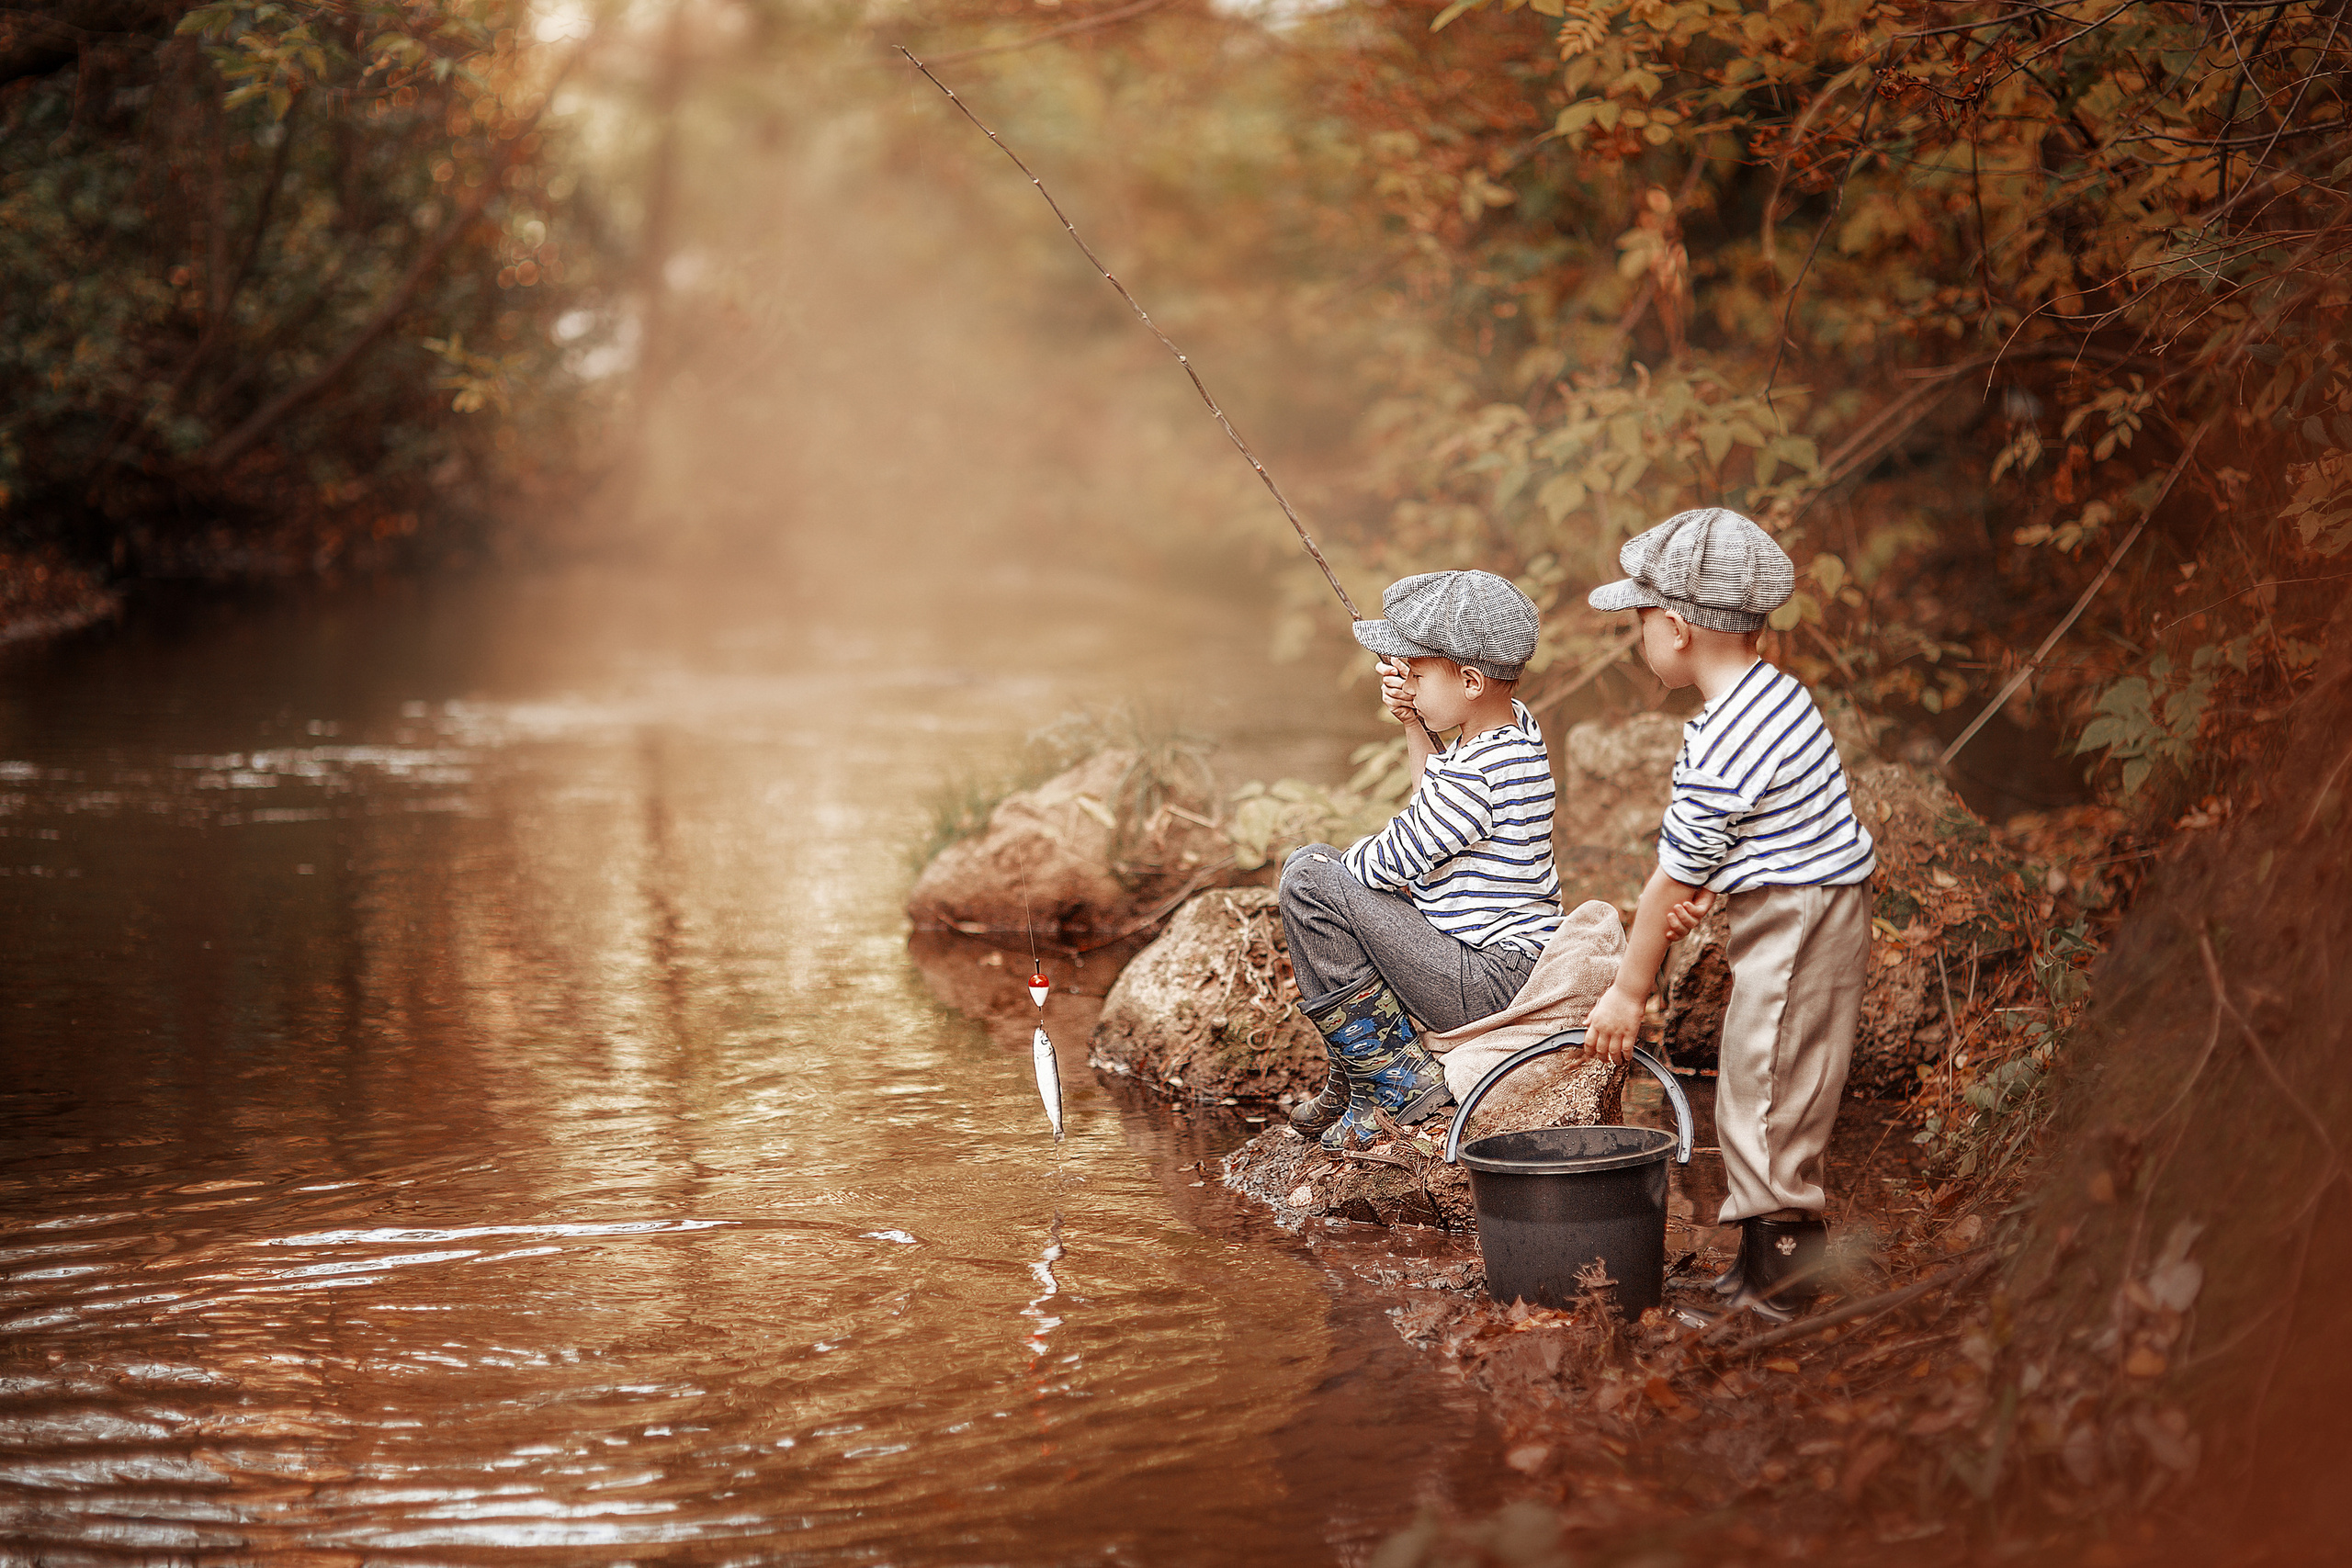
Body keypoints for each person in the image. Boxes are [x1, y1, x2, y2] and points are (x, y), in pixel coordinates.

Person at [1579, 507, 1876, 1322]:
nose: (1639, 638)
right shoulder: (1776, 697)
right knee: (1769, 1080)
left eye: (1641, 622)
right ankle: (1761, 1264)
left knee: (1767, 1084)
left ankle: (1781, 1283)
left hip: (1800, 918)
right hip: (1815, 902)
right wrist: (1721, 880)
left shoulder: (1723, 737)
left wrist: (1629, 991)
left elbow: (1666, 882)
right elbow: (1788, 818)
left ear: (1676, 629)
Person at [1278, 570, 1562, 1151]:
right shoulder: (1513, 733)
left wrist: (1332, 874)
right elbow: (1431, 802)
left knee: (1308, 877)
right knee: (1323, 873)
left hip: (1485, 982)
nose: (1405, 681)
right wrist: (1414, 718)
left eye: (1417, 673)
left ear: (1471, 680)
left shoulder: (1479, 774)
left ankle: (1391, 1081)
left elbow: (1386, 863)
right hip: (1496, 967)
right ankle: (1358, 1074)